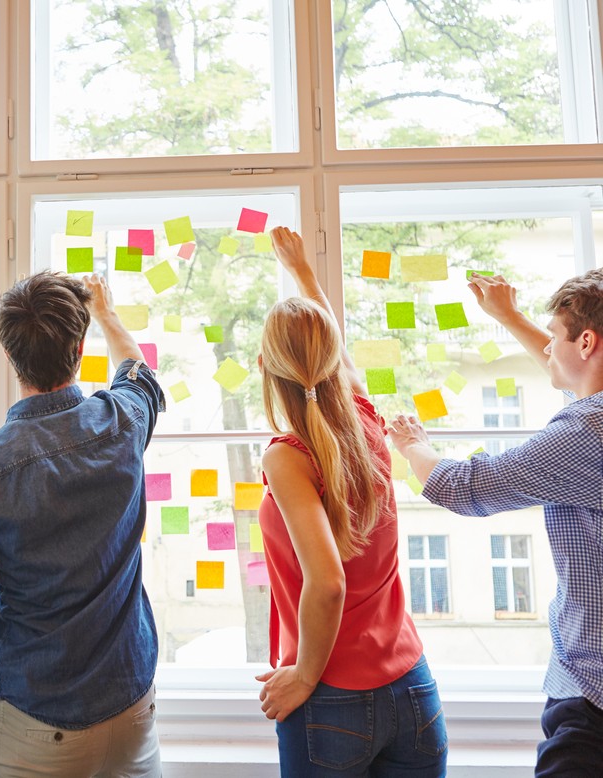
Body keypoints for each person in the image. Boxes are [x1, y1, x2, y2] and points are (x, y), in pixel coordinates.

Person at [0, 271, 164, 777]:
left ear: (9, 355)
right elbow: (138, 369)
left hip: (36, 722)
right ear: (80, 349)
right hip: (131, 712)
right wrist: (106, 313)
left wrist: (11, 597)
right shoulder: (121, 422)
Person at [389, 269, 603, 776]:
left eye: (554, 335)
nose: (547, 347)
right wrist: (509, 317)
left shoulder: (588, 430)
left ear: (588, 341)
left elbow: (465, 487)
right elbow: (571, 369)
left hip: (594, 700)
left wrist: (412, 444)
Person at [255, 227, 447, 776]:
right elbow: (332, 345)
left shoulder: (288, 457)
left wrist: (305, 676)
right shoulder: (366, 416)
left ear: (266, 369)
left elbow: (329, 580)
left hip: (330, 697)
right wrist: (305, 274)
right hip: (412, 687)